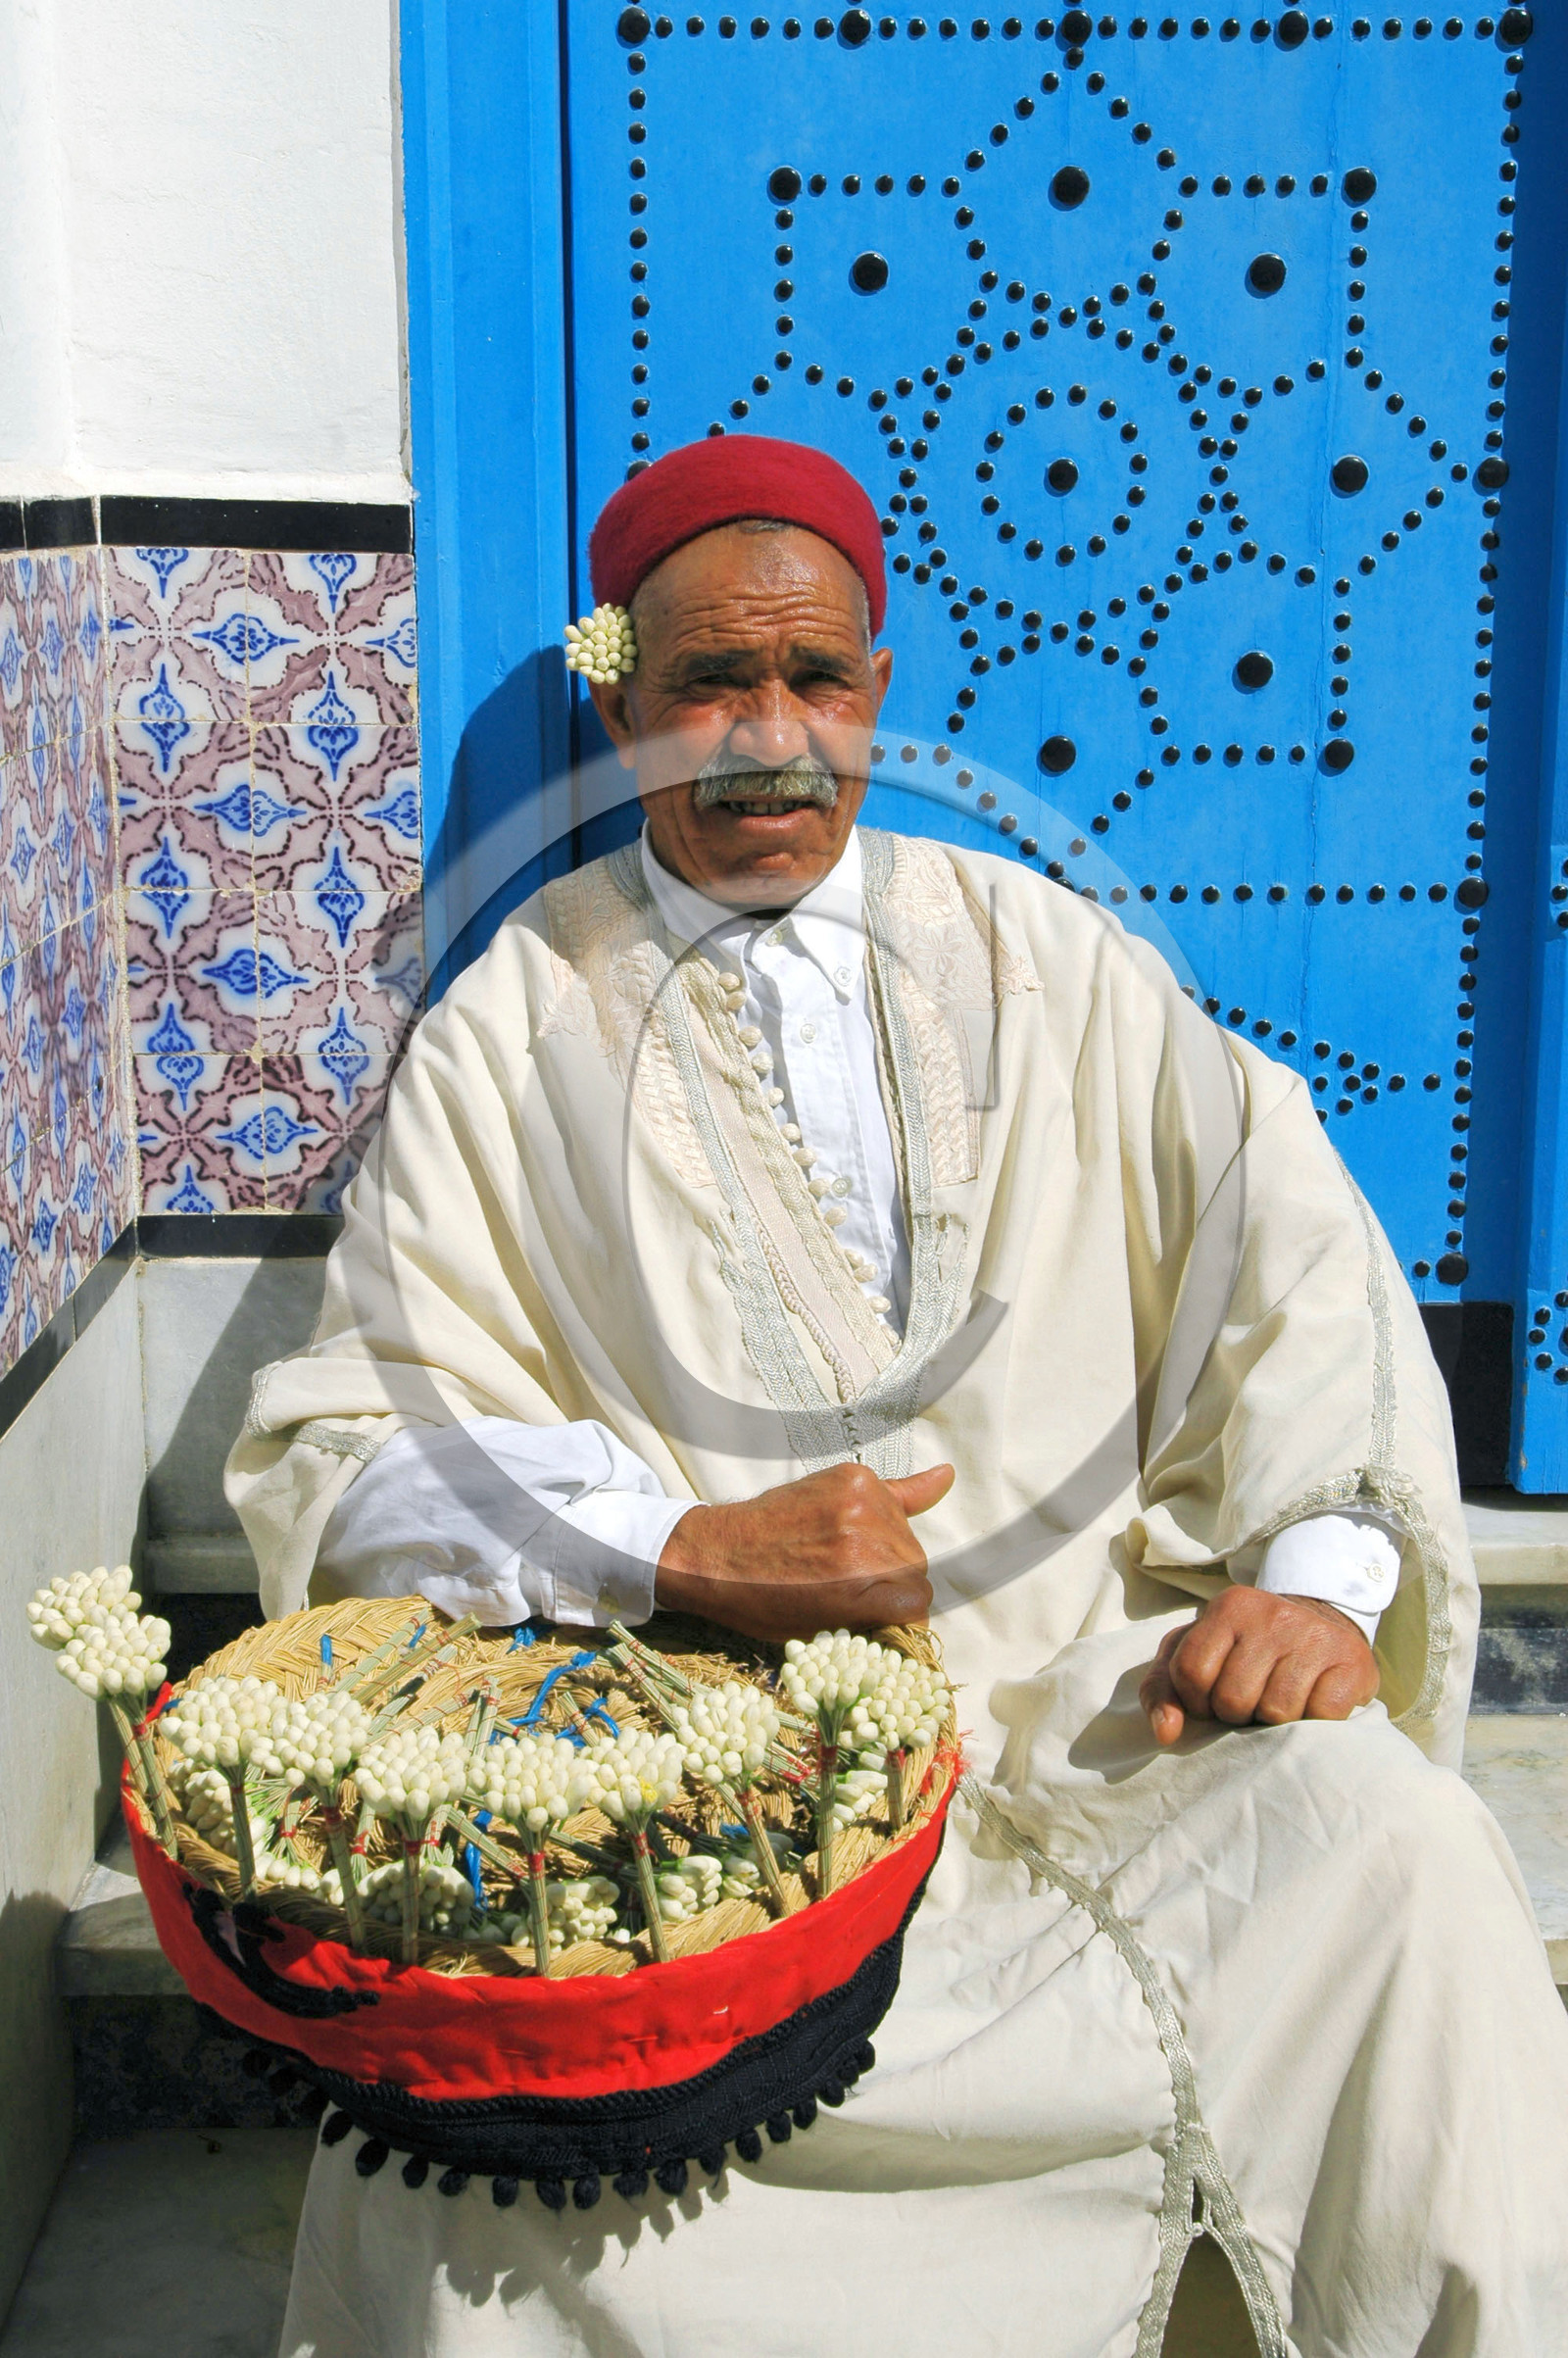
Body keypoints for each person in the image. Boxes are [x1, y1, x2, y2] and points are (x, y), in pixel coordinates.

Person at [229, 435, 1568, 2357]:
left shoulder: (1046, 958)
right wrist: (674, 1548)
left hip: (1105, 1713)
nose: (771, 738)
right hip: (714, 1788)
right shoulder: (511, 1026)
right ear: (619, 703)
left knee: (1400, 1855)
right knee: (455, 2168)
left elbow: (1292, 1262)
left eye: (817, 678)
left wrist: (1315, 1578)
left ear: (878, 687)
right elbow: (354, 1449)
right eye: (711, 682)